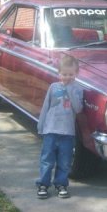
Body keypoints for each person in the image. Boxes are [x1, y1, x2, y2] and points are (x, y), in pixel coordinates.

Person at [36, 55, 84, 199]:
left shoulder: (78, 89)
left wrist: (70, 90)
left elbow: (78, 108)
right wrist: (41, 125)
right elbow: (46, 107)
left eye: (71, 74)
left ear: (76, 74)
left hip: (67, 133)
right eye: (64, 74)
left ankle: (61, 184)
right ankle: (43, 184)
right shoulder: (53, 87)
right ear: (59, 73)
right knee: (47, 160)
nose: (67, 77)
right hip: (50, 130)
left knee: (64, 161)